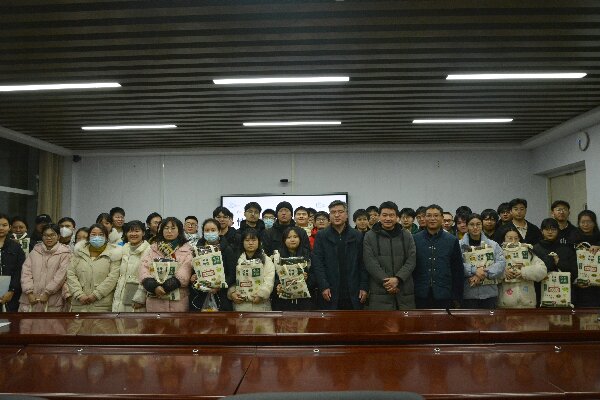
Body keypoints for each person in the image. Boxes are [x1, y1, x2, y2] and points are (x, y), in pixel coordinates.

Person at [312, 200, 368, 310]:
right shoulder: (321, 236)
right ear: (329, 215)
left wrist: (364, 286)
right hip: (330, 290)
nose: (337, 215)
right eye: (333, 212)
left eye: (340, 212)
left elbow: (363, 263)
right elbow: (318, 264)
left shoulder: (357, 235)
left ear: (346, 214)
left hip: (354, 290)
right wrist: (324, 286)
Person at [363, 201, 416, 310]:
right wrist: (388, 283)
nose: (388, 218)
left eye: (391, 215)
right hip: (379, 291)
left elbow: (411, 260)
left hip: (404, 289)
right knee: (381, 321)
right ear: (379, 216)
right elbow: (370, 262)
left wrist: (397, 279)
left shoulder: (407, 235)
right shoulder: (369, 236)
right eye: (384, 215)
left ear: (397, 217)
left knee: (406, 321)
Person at [413, 205, 464, 309]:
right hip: (419, 293)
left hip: (444, 294)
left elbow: (457, 270)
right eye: (429, 215)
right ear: (425, 218)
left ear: (442, 218)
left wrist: (457, 296)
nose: (432, 218)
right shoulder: (415, 239)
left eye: (436, 215)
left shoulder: (451, 240)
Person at [140, 217, 193, 312]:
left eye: (173, 228)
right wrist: (152, 285)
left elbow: (186, 269)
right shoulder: (152, 249)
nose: (169, 231)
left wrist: (169, 285)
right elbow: (144, 267)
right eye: (166, 228)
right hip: (155, 301)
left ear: (179, 231)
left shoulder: (187, 250)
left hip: (178, 302)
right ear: (161, 230)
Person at [67, 223, 122, 312]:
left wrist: (96, 295)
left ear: (106, 237)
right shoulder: (79, 252)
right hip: (79, 305)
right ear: (88, 237)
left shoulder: (114, 254)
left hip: (102, 306)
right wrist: (79, 295)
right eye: (93, 234)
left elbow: (113, 278)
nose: (97, 237)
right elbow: (70, 274)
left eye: (101, 235)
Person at [19, 223, 71, 312]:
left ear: (58, 236)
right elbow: (25, 273)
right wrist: (29, 293)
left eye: (52, 235)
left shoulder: (65, 253)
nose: (49, 238)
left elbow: (60, 277)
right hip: (30, 300)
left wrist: (47, 293)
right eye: (45, 235)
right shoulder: (34, 251)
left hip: (52, 302)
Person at [460, 213, 506, 309]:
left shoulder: (493, 245)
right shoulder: (459, 245)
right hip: (468, 293)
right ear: (467, 226)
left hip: (490, 293)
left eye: (478, 224)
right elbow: (456, 264)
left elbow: (501, 263)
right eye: (472, 224)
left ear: (482, 225)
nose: (475, 227)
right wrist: (474, 270)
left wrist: (482, 273)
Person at [189, 218, 235, 312]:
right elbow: (194, 270)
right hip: (200, 296)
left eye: (213, 230)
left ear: (219, 231)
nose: (210, 233)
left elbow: (232, 275)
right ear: (203, 232)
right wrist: (193, 276)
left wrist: (219, 286)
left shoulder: (227, 249)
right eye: (207, 230)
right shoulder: (197, 250)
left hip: (221, 296)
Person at [497, 227, 547, 309]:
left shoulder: (527, 252)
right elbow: (489, 274)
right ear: (504, 239)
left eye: (516, 238)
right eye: (510, 238)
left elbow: (543, 270)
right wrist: (503, 273)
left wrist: (524, 272)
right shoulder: (499, 253)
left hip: (528, 303)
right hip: (505, 303)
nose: (513, 241)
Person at [533, 218, 577, 306]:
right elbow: (533, 272)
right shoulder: (535, 249)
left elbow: (574, 272)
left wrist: (559, 263)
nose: (550, 232)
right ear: (542, 231)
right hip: (541, 292)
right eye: (547, 229)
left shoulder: (566, 249)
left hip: (564, 293)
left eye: (553, 229)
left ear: (558, 231)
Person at [228, 229, 275, 311]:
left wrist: (261, 295)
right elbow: (232, 279)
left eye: (254, 240)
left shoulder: (266, 259)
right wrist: (232, 293)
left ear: (259, 242)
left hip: (261, 304)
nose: (250, 243)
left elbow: (269, 279)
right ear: (242, 242)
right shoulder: (237, 259)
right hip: (240, 304)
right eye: (247, 240)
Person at [112, 220, 151, 312]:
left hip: (138, 297)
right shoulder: (122, 249)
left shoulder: (149, 251)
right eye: (130, 231)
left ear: (143, 233)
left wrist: (140, 298)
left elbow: (149, 276)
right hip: (120, 295)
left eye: (137, 231)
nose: (133, 234)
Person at [272, 226, 313, 311]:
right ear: (284, 240)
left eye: (295, 237)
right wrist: (277, 285)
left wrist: (307, 278)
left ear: (300, 239)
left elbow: (315, 275)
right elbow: (272, 276)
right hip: (282, 301)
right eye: (289, 237)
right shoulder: (276, 257)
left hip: (305, 301)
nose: (292, 240)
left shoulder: (308, 255)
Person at [568, 210, 600, 307]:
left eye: (589, 222)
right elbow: (569, 260)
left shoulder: (599, 237)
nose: (586, 225)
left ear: (594, 223)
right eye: (582, 222)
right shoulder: (573, 237)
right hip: (578, 283)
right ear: (579, 223)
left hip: (597, 285)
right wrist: (576, 279)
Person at [0, 214, 26, 312]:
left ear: (10, 227)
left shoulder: (16, 247)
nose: (1, 228)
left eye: (4, 225)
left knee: (10, 320)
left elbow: (20, 270)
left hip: (12, 294)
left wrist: (12, 290)